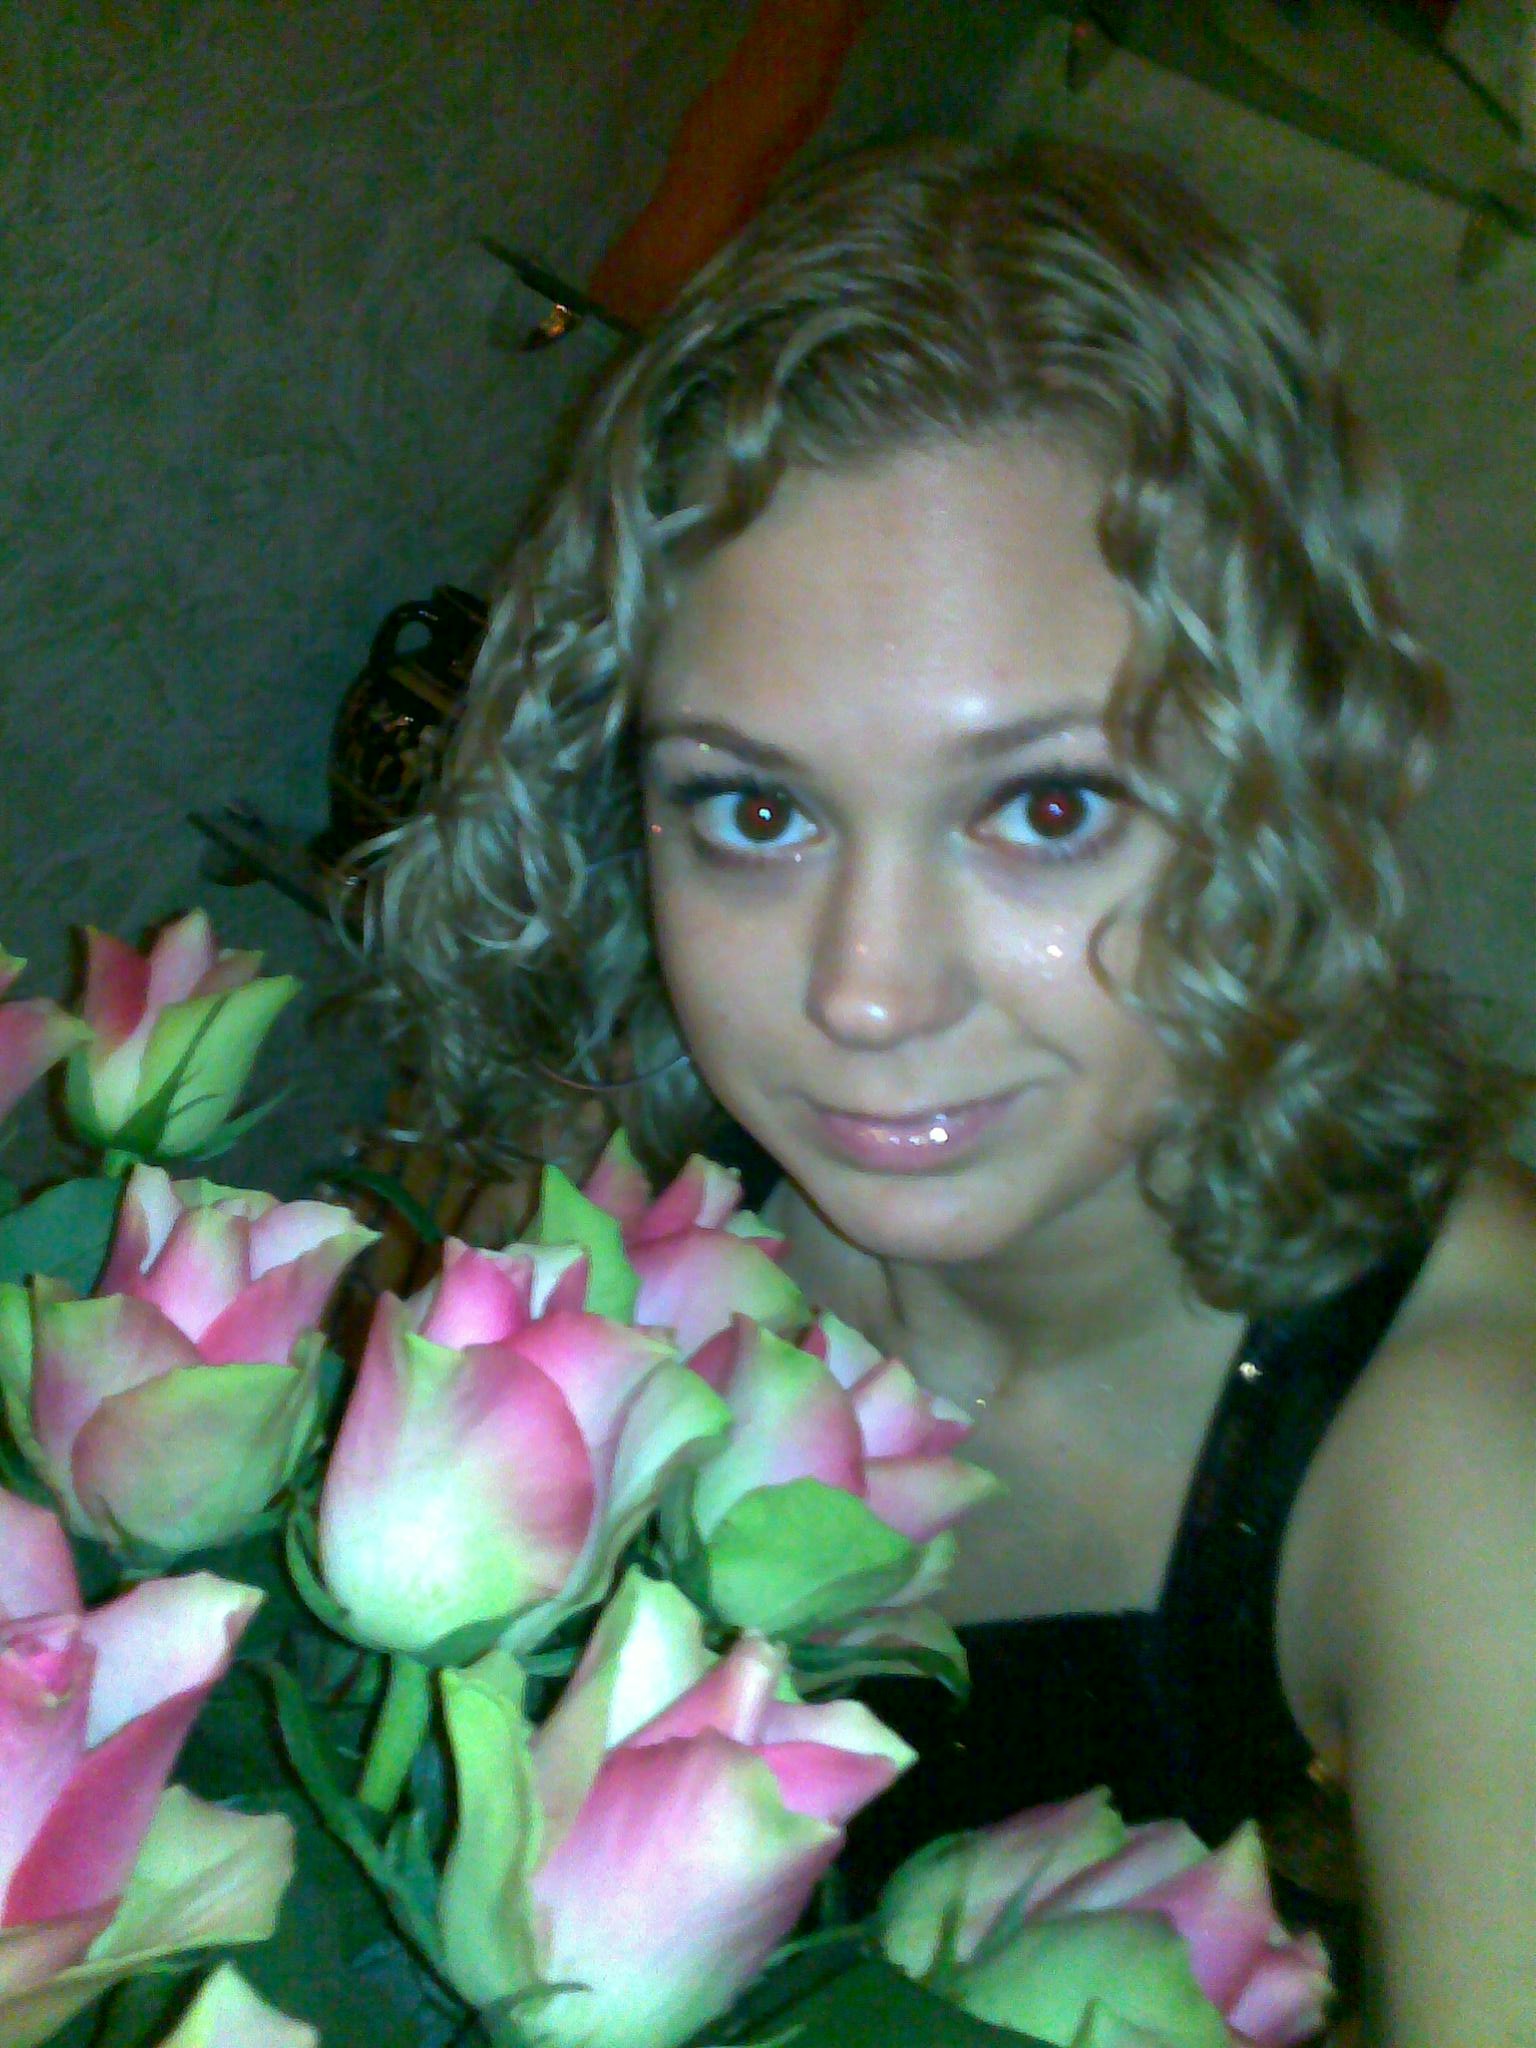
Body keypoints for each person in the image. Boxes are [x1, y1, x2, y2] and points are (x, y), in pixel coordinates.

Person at [368, 140, 1536, 2045]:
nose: (865, 992)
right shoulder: (617, 1176)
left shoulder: (1469, 1449)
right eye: (753, 811)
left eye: (1049, 809)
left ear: (1285, 786)